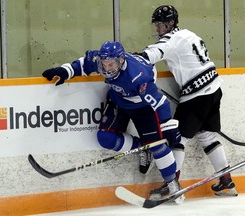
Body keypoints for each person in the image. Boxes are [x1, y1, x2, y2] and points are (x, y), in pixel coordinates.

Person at [42, 41, 184, 201]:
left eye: (111, 64)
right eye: (104, 64)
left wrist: (168, 126)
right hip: (118, 101)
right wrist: (65, 71)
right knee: (105, 138)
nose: (107, 68)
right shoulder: (101, 60)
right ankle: (143, 148)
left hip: (142, 106)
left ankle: (173, 185)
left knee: (158, 147)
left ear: (121, 60)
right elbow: (83, 64)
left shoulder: (137, 76)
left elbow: (161, 103)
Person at [136, 5, 238, 197]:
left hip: (196, 96)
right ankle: (226, 179)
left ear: (171, 23)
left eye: (160, 24)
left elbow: (149, 56)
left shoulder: (170, 39)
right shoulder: (188, 34)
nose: (157, 29)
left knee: (177, 138)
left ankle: (171, 184)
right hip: (214, 89)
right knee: (206, 136)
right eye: (156, 25)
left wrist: (130, 60)